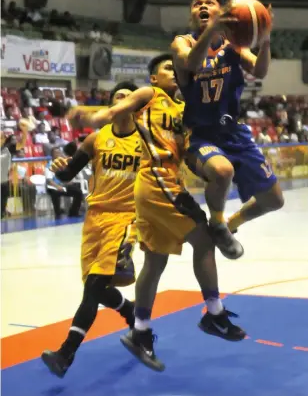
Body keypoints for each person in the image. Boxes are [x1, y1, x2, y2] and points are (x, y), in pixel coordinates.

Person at [69, 54, 246, 372]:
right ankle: (215, 315)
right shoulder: (150, 96)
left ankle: (140, 331)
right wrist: (88, 117)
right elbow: (115, 111)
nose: (174, 74)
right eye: (167, 69)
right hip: (157, 181)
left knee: (155, 261)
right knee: (204, 240)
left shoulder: (185, 109)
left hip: (156, 187)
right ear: (153, 78)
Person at [41, 82, 140, 378]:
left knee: (93, 288)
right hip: (94, 219)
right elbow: (68, 173)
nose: (121, 101)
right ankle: (129, 311)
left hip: (125, 219)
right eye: (116, 97)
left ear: (135, 104)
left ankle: (66, 352)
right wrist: (59, 168)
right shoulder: (97, 138)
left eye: (127, 97)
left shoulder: (147, 139)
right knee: (96, 288)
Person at [171, 0, 284, 242]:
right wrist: (212, 29)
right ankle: (218, 222)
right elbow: (191, 63)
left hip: (234, 131)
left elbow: (261, 70)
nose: (202, 6)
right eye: (196, 3)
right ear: (191, 15)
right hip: (200, 135)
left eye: (209, 3)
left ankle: (231, 224)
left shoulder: (233, 46)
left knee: (274, 200)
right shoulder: (182, 42)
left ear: (220, 10)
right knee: (222, 172)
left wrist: (265, 39)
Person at [45, 147, 83, 219]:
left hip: (63, 185)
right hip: (53, 187)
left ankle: (73, 212)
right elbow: (49, 181)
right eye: (56, 153)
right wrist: (57, 187)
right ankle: (58, 213)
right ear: (52, 155)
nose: (58, 154)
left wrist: (68, 181)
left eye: (59, 152)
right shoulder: (49, 165)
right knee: (55, 193)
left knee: (78, 192)